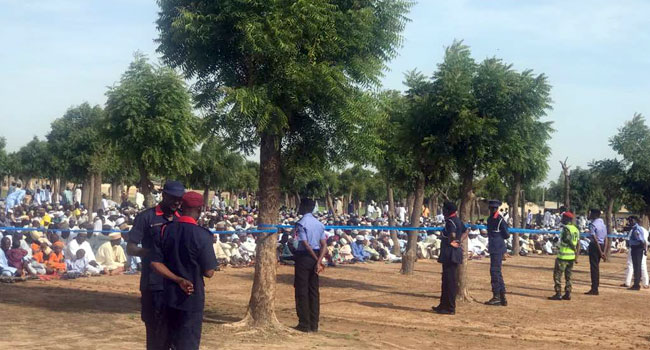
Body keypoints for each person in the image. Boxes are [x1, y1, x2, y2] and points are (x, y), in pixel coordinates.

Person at [150, 191, 217, 350]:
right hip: (191, 298)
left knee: (166, 343)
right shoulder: (203, 235)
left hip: (167, 296)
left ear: (181, 206)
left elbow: (155, 263)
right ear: (200, 209)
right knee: (188, 344)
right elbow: (209, 272)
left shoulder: (165, 229)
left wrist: (177, 279)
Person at [127, 180, 184, 350]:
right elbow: (130, 247)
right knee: (155, 333)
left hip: (176, 285)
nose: (177, 202)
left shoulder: (181, 218)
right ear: (164, 195)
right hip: (154, 285)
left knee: (175, 334)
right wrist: (149, 254)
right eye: (173, 198)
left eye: (180, 199)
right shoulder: (146, 217)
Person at [293, 198, 327, 332]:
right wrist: (319, 261)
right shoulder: (319, 224)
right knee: (314, 291)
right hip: (317, 255)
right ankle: (314, 324)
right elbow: (324, 245)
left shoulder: (301, 223)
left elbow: (305, 244)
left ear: (304, 207)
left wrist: (315, 259)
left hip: (304, 257)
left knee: (302, 290)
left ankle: (304, 324)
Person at [432, 202, 465, 315]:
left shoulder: (450, 222)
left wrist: (451, 241)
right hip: (453, 254)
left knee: (450, 282)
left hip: (450, 254)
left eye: (444, 209)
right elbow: (466, 231)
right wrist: (459, 241)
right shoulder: (458, 220)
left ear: (447, 211)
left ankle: (450, 307)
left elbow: (452, 234)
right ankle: (443, 305)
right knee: (446, 281)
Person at [548, 212, 579, 300]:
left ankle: (558, 294)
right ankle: (568, 293)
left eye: (563, 218)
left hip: (563, 257)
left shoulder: (566, 229)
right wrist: (576, 255)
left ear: (567, 219)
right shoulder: (575, 229)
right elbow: (578, 243)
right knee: (569, 276)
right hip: (571, 257)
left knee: (557, 275)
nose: (562, 219)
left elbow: (568, 240)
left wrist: (573, 248)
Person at [485, 200, 509, 306]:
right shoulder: (490, 219)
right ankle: (502, 296)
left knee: (495, 272)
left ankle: (497, 296)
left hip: (497, 248)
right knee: (497, 272)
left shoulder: (499, 220)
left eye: (494, 208)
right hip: (494, 247)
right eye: (491, 208)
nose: (492, 210)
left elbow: (506, 234)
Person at [585, 209, 607, 295]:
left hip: (595, 247)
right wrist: (603, 251)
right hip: (601, 246)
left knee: (594, 268)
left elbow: (595, 239)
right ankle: (595, 287)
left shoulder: (592, 225)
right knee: (596, 267)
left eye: (590, 213)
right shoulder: (603, 224)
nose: (589, 215)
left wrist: (600, 251)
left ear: (594, 214)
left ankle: (594, 288)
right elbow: (606, 239)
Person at [626, 216, 647, 291]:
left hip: (637, 248)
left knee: (637, 267)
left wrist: (644, 249)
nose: (630, 222)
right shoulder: (635, 228)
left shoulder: (636, 229)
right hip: (637, 248)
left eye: (631, 220)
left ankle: (636, 285)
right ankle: (636, 283)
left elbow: (641, 240)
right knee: (636, 267)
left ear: (635, 221)